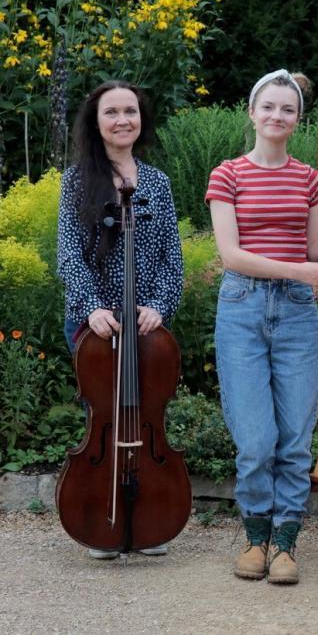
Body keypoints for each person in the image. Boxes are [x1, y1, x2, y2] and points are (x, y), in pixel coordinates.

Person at [206, 69, 318, 584]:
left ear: (297, 119)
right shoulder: (227, 174)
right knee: (255, 440)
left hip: (295, 311)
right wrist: (301, 271)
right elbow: (231, 255)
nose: (277, 116)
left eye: (287, 109)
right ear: (252, 112)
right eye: (268, 106)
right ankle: (254, 537)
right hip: (242, 310)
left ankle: (286, 544)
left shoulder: (309, 178)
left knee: (293, 438)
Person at [57, 80, 184, 560]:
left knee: (145, 412)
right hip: (97, 324)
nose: (122, 120)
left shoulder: (157, 184)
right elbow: (69, 254)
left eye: (130, 111)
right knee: (103, 414)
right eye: (112, 112)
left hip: (145, 325)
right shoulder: (77, 182)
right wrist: (92, 307)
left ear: (140, 119)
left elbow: (172, 256)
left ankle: (151, 513)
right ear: (97, 122)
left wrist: (160, 305)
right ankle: (101, 516)